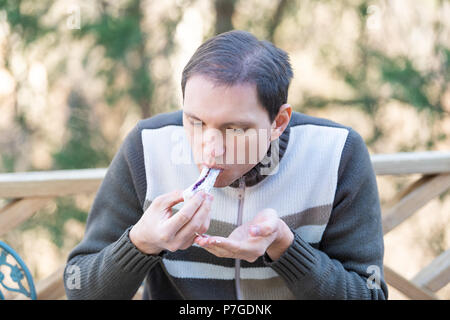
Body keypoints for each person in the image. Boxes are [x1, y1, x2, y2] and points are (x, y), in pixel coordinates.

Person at [64, 30, 388, 300]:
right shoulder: (147, 148)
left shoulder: (337, 154)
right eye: (195, 122)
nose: (211, 148)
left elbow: (369, 293)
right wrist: (140, 244)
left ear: (279, 121)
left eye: (235, 129)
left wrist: (285, 247)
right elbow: (79, 286)